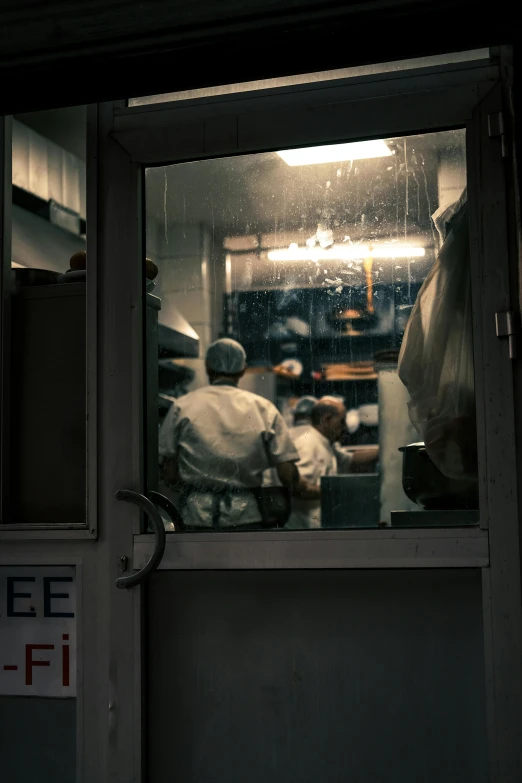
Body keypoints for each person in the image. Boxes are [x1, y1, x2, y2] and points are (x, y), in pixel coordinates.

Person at [159, 338, 300, 529]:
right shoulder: (264, 408)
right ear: (243, 370)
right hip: (246, 516)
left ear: (208, 367)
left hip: (195, 516)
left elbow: (168, 470)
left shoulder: (182, 406)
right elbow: (287, 474)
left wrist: (188, 491)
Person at [288, 397, 379, 528]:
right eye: (342, 422)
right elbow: (298, 489)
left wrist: (384, 450)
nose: (345, 428)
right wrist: (338, 492)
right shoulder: (307, 445)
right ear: (327, 420)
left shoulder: (327, 444)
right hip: (305, 529)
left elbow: (351, 459)